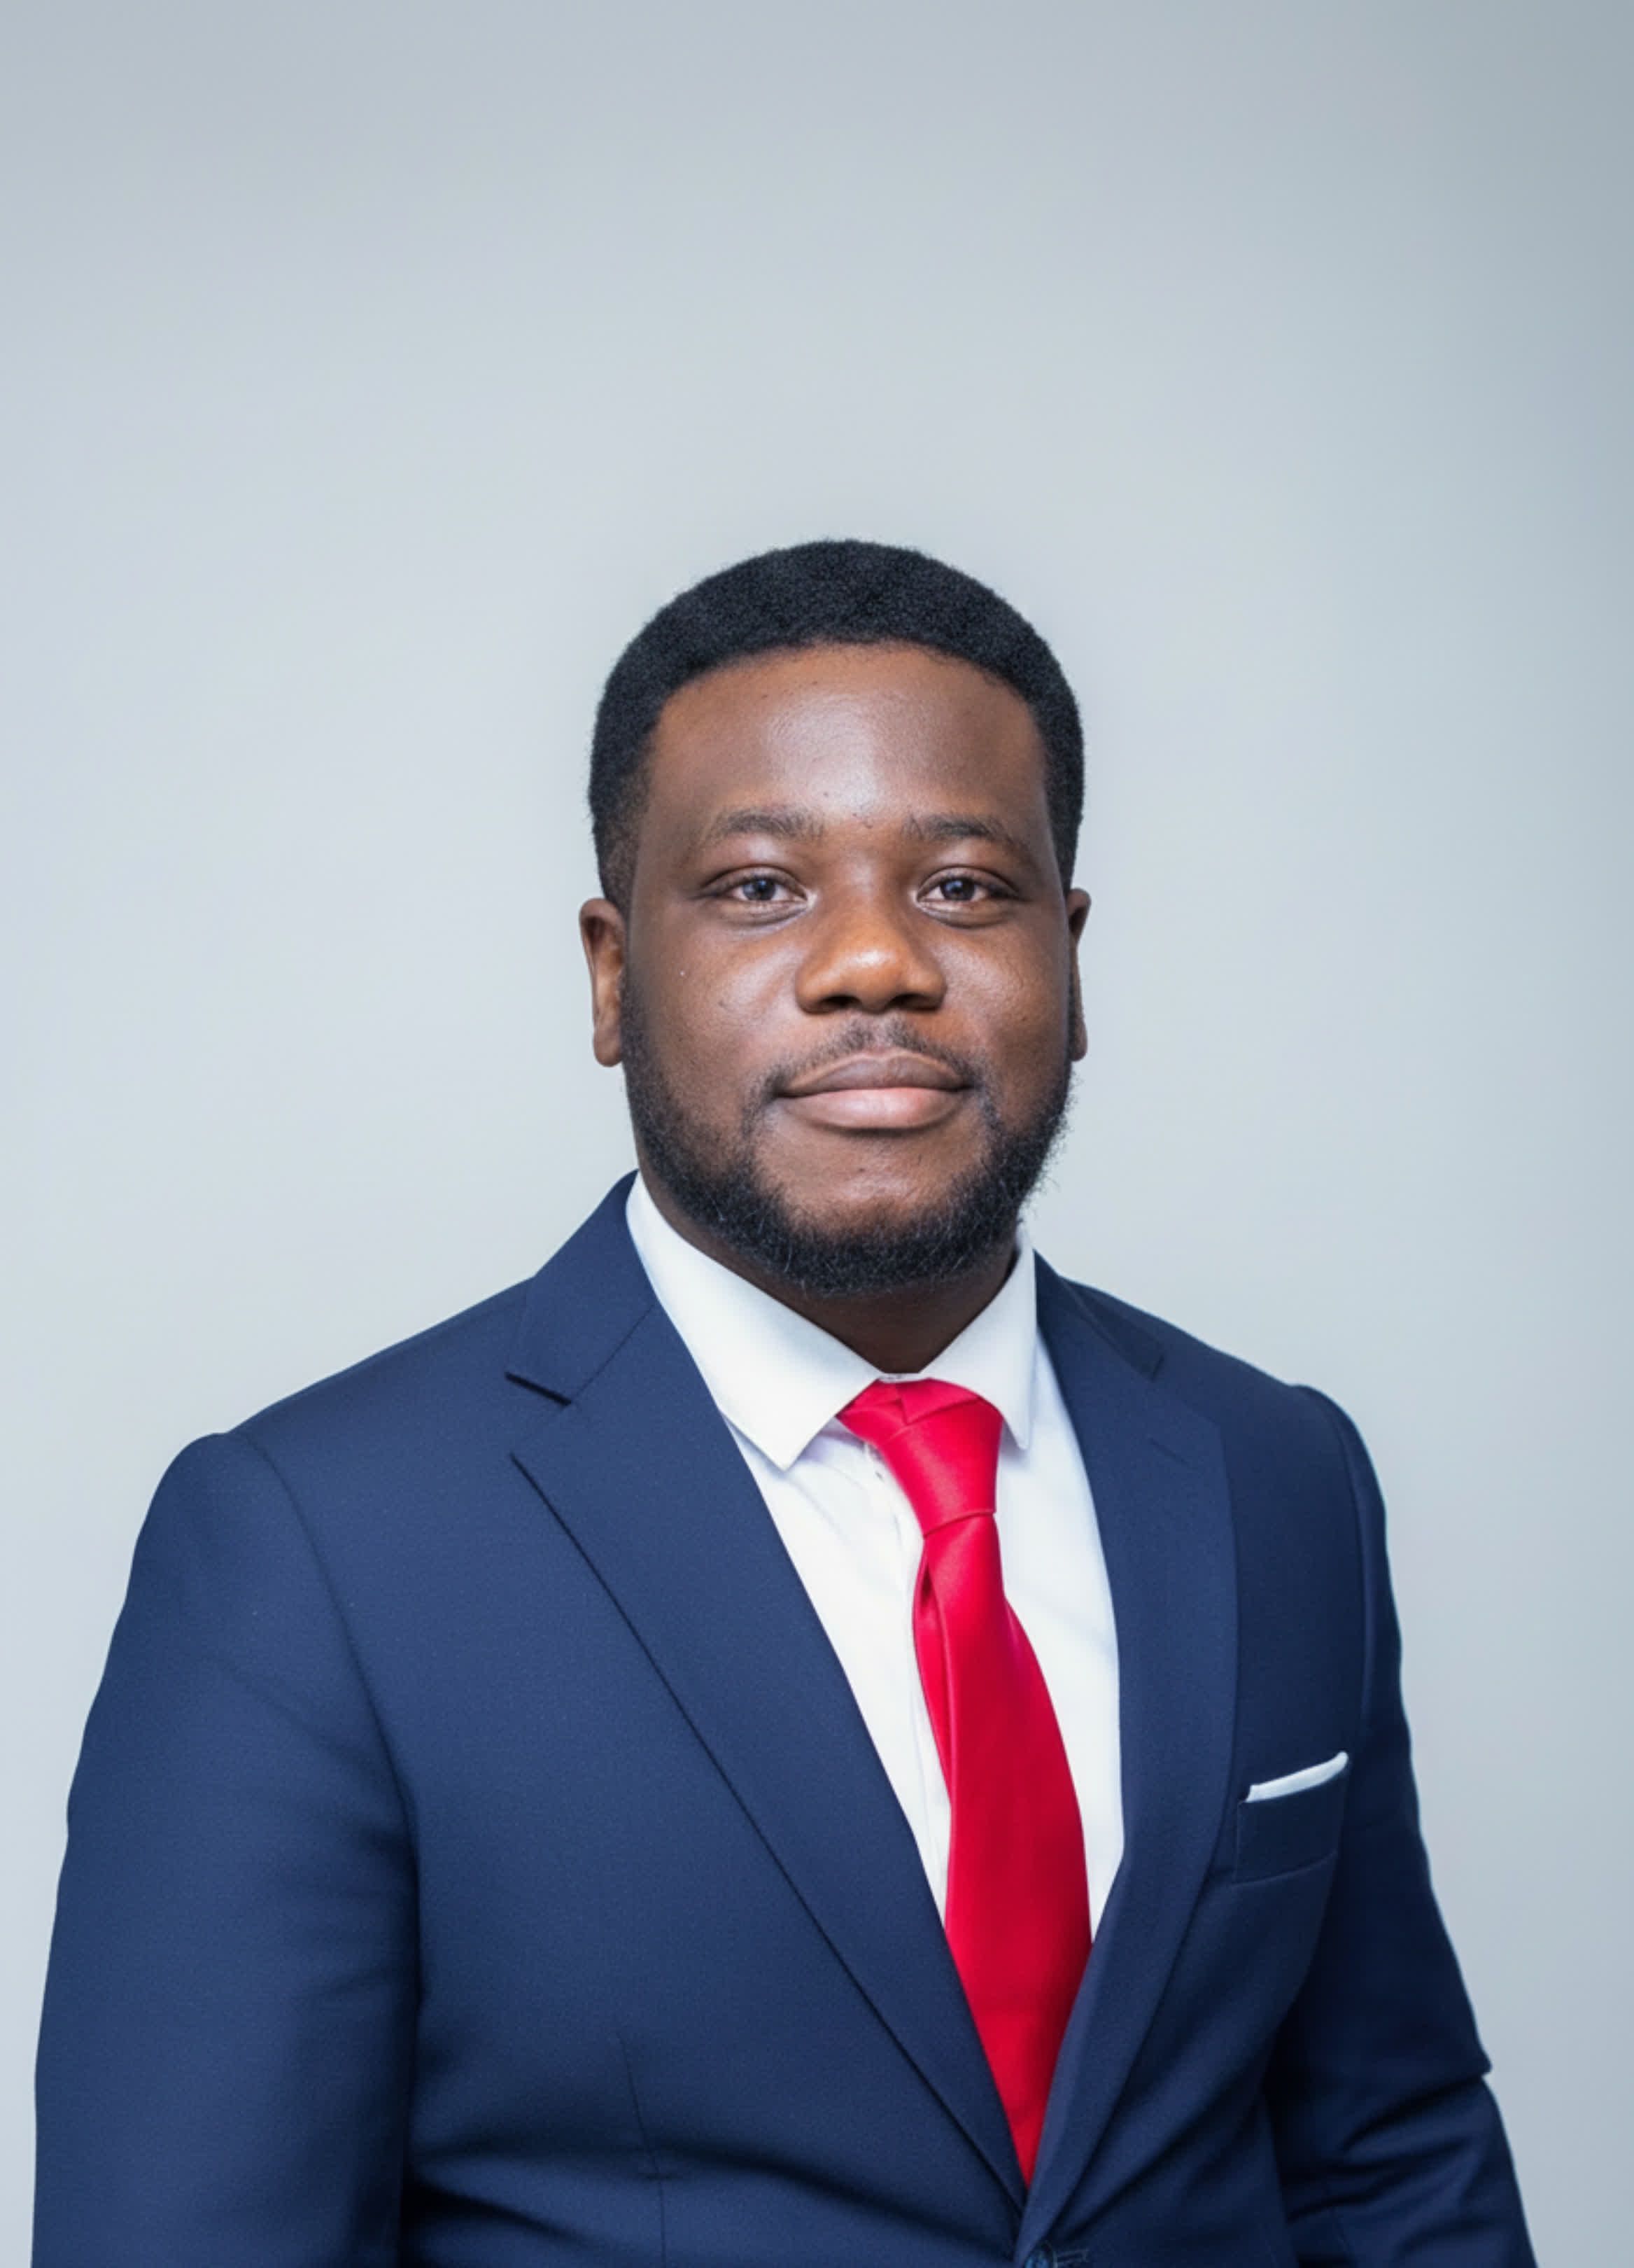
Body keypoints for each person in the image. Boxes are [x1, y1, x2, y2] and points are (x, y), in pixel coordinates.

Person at [34, 540, 1535, 2266]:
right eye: (759, 889)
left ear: (1071, 949)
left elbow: (1388, 2153)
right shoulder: (313, 1550)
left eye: (966, 888)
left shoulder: (1280, 1477)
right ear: (610, 976)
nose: (876, 964)